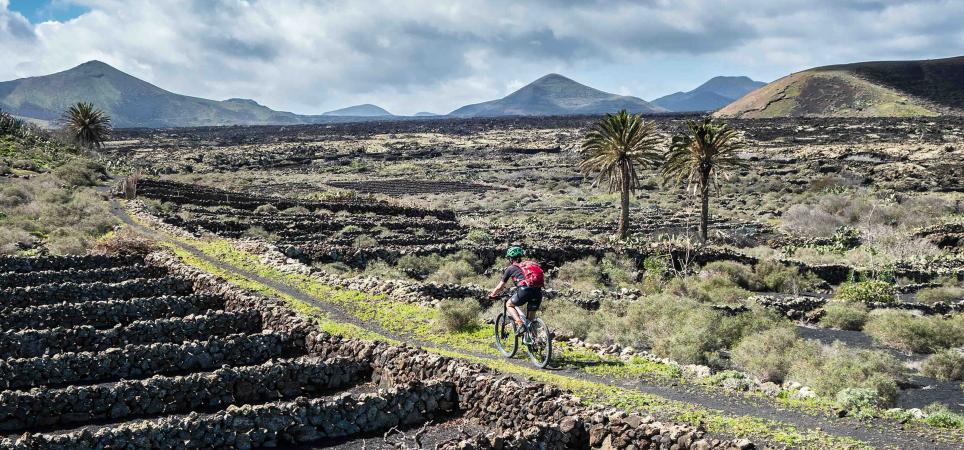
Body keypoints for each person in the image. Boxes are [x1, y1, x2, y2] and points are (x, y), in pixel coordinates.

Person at [488, 246, 543, 337]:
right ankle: (535, 342)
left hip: (524, 290)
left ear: (510, 259)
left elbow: (501, 286)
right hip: (537, 292)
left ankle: (520, 324)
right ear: (520, 257)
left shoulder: (511, 268)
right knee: (530, 321)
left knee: (509, 304)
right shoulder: (529, 266)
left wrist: (493, 294)